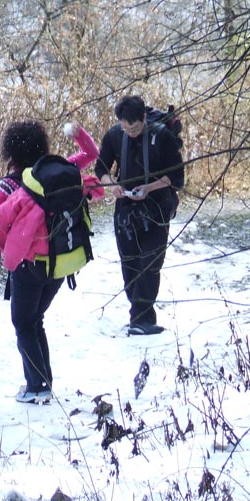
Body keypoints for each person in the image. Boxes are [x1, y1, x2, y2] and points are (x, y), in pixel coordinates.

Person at [0, 120, 101, 403]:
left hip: (29, 263)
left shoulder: (10, 184)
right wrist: (78, 133)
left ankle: (37, 386)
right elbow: (91, 155)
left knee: (24, 322)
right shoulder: (58, 173)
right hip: (61, 262)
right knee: (35, 320)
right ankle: (42, 382)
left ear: (10, 153)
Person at [95, 95, 184, 336]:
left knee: (150, 262)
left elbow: (176, 177)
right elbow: (101, 168)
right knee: (130, 263)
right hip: (125, 210)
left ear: (144, 118)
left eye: (134, 128)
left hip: (157, 207)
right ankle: (139, 314)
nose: (130, 132)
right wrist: (112, 184)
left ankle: (143, 318)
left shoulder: (162, 136)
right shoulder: (115, 135)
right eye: (126, 127)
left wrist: (149, 188)